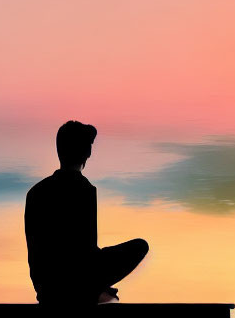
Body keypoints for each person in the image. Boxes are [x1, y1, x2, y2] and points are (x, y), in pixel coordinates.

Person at [25, 121, 148, 305]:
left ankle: (92, 289)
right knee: (140, 246)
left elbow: (35, 250)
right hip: (77, 285)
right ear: (87, 152)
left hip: (46, 287)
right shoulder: (84, 189)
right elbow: (85, 249)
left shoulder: (36, 191)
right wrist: (97, 284)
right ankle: (93, 291)